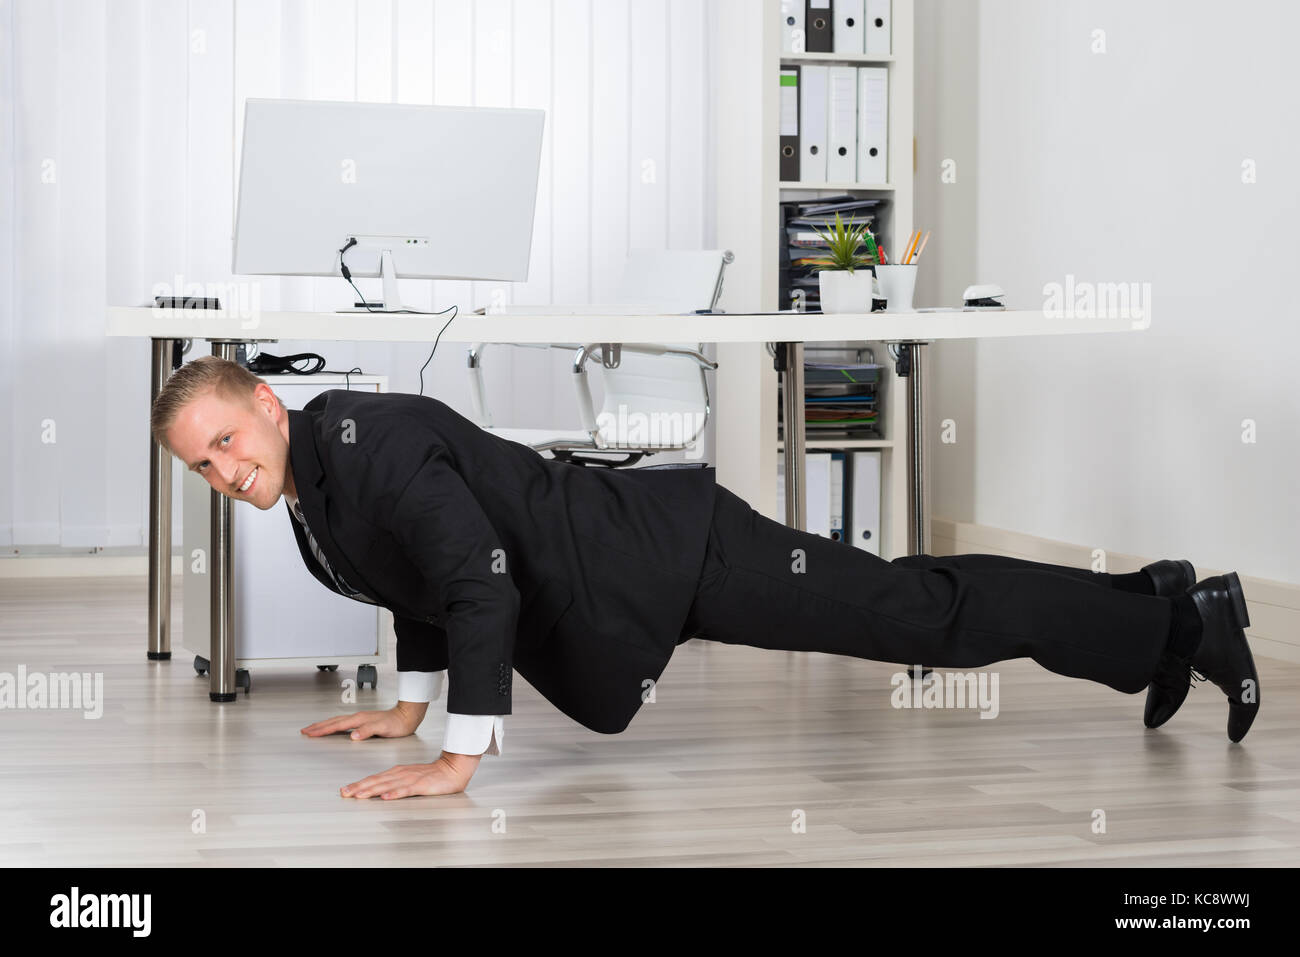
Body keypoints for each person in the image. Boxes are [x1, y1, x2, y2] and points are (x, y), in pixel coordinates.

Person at [150, 356, 1261, 800]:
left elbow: (479, 580)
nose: (224, 472)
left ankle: (1184, 624)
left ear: (265, 401)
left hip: (675, 554)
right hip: (644, 567)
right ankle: (1160, 604)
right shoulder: (322, 470)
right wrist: (408, 704)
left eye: (225, 441)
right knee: (912, 600)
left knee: (918, 614)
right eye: (203, 466)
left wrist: (457, 757)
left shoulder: (369, 444)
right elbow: (421, 579)